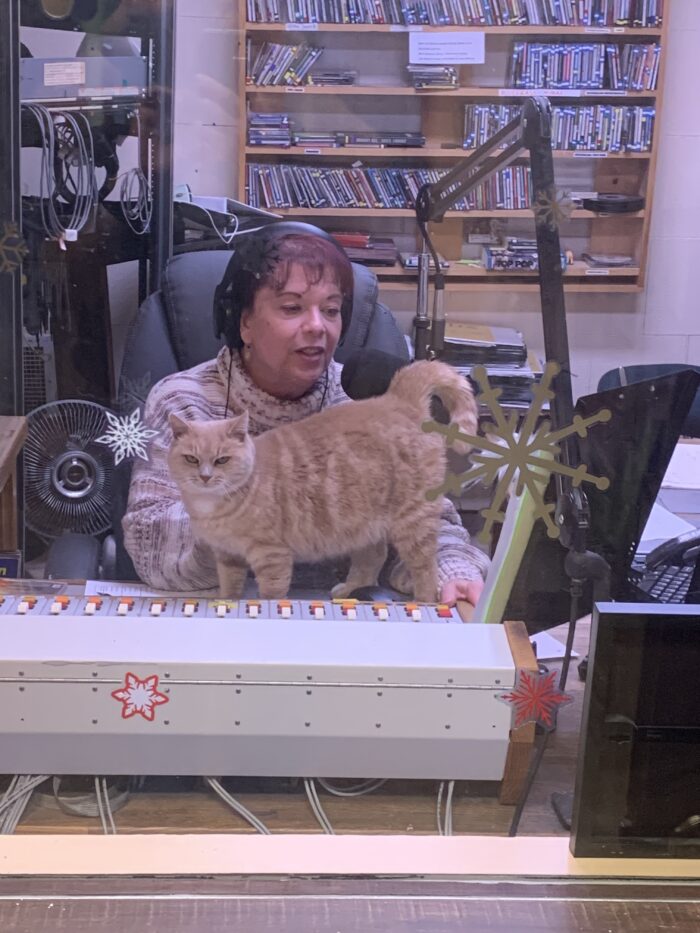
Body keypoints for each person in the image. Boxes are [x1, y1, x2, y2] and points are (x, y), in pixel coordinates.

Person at [122, 223, 489, 605]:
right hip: (210, 612)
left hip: (340, 618)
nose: (317, 326)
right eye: (292, 308)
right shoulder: (183, 402)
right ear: (243, 322)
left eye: (331, 310)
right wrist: (237, 522)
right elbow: (150, 543)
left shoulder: (356, 401)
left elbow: (428, 520)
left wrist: (454, 573)